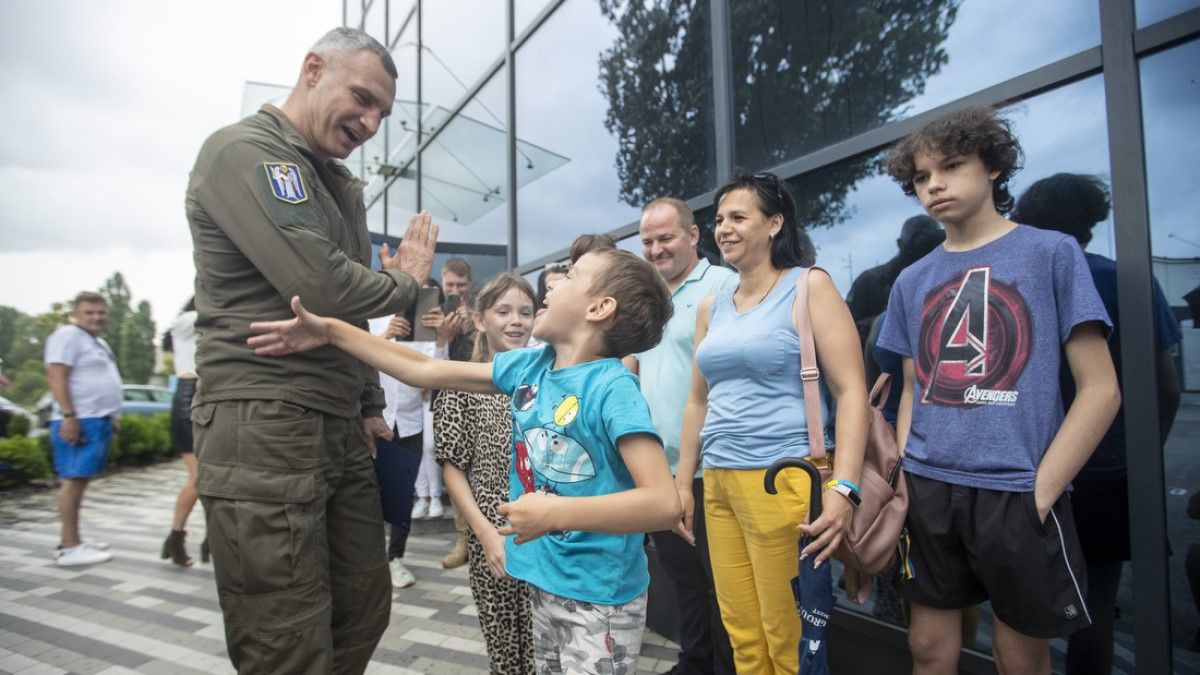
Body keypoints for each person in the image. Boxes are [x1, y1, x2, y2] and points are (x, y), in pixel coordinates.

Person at [248, 247, 682, 674]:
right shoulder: (532, 367)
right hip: (547, 582)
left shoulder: (613, 389)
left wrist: (555, 513)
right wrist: (331, 332)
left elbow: (663, 504)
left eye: (571, 276)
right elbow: (424, 369)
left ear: (599, 308)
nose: (551, 287)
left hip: (600, 600)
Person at [185, 27, 438, 673]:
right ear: (313, 69)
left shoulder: (334, 183)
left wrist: (369, 401)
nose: (371, 122)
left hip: (338, 424)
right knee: (286, 639)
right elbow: (320, 285)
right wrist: (406, 282)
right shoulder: (245, 152)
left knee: (364, 604)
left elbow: (340, 314)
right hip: (264, 421)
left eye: (383, 113)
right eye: (363, 98)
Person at [879, 107, 1121, 674]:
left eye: (951, 166)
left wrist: (1044, 487)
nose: (934, 185)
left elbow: (1101, 388)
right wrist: (905, 472)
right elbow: (914, 389)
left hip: (1016, 488)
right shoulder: (911, 280)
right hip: (929, 488)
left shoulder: (1050, 253)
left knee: (1020, 657)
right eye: (920, 176)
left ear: (991, 166)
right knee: (928, 647)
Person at [674, 173, 869, 674]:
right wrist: (683, 484)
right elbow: (697, 401)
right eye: (719, 219)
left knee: (789, 638)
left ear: (775, 223)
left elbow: (851, 392)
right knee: (742, 633)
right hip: (718, 482)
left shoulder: (809, 286)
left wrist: (844, 489)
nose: (724, 228)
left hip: (784, 479)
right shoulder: (711, 306)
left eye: (739, 217)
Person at [1012, 173, 1182, 674]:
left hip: (1029, 468)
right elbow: (1167, 387)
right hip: (1109, 469)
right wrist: (1138, 455)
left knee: (1017, 602)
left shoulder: (1023, 282)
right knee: (1095, 609)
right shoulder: (1124, 279)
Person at [626, 197, 736, 675]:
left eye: (666, 238)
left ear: (693, 236)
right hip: (657, 470)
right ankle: (695, 662)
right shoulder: (644, 297)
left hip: (711, 468)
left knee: (725, 583)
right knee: (683, 578)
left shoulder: (724, 285)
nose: (656, 249)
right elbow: (631, 368)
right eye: (647, 241)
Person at [433, 273, 538, 674]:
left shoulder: (547, 379)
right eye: (504, 311)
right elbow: (453, 470)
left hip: (547, 533)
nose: (516, 321)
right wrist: (485, 534)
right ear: (480, 320)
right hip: (491, 533)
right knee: (504, 649)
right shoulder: (462, 382)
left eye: (525, 312)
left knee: (546, 646)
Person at [369, 293, 448, 589]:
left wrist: (442, 337)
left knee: (402, 496)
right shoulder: (372, 318)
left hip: (410, 422)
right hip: (375, 419)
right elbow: (360, 360)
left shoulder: (424, 319)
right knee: (368, 493)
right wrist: (385, 337)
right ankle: (370, 558)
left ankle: (395, 558)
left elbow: (436, 371)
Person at [44, 291, 122, 567]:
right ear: (75, 313)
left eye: (101, 312)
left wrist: (112, 415)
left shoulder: (95, 341)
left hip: (96, 419)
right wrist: (69, 416)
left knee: (81, 481)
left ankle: (74, 539)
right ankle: (69, 547)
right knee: (73, 481)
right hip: (79, 419)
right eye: (89, 312)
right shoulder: (67, 336)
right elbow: (56, 376)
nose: (96, 317)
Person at [432, 257, 476, 569]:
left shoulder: (480, 309)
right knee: (453, 466)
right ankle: (463, 538)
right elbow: (428, 363)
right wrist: (444, 335)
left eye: (461, 285)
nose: (456, 290)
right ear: (443, 280)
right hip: (448, 396)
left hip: (480, 392)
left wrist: (471, 327)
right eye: (450, 284)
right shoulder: (433, 311)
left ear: (469, 284)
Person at [846, 215, 941, 346]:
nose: (924, 249)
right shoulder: (868, 281)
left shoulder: (950, 277)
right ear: (900, 244)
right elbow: (847, 333)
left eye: (931, 244)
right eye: (918, 242)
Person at [162, 298, 204, 567]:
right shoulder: (187, 320)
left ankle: (214, 539)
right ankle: (175, 537)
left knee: (216, 476)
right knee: (199, 477)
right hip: (189, 399)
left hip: (209, 396)